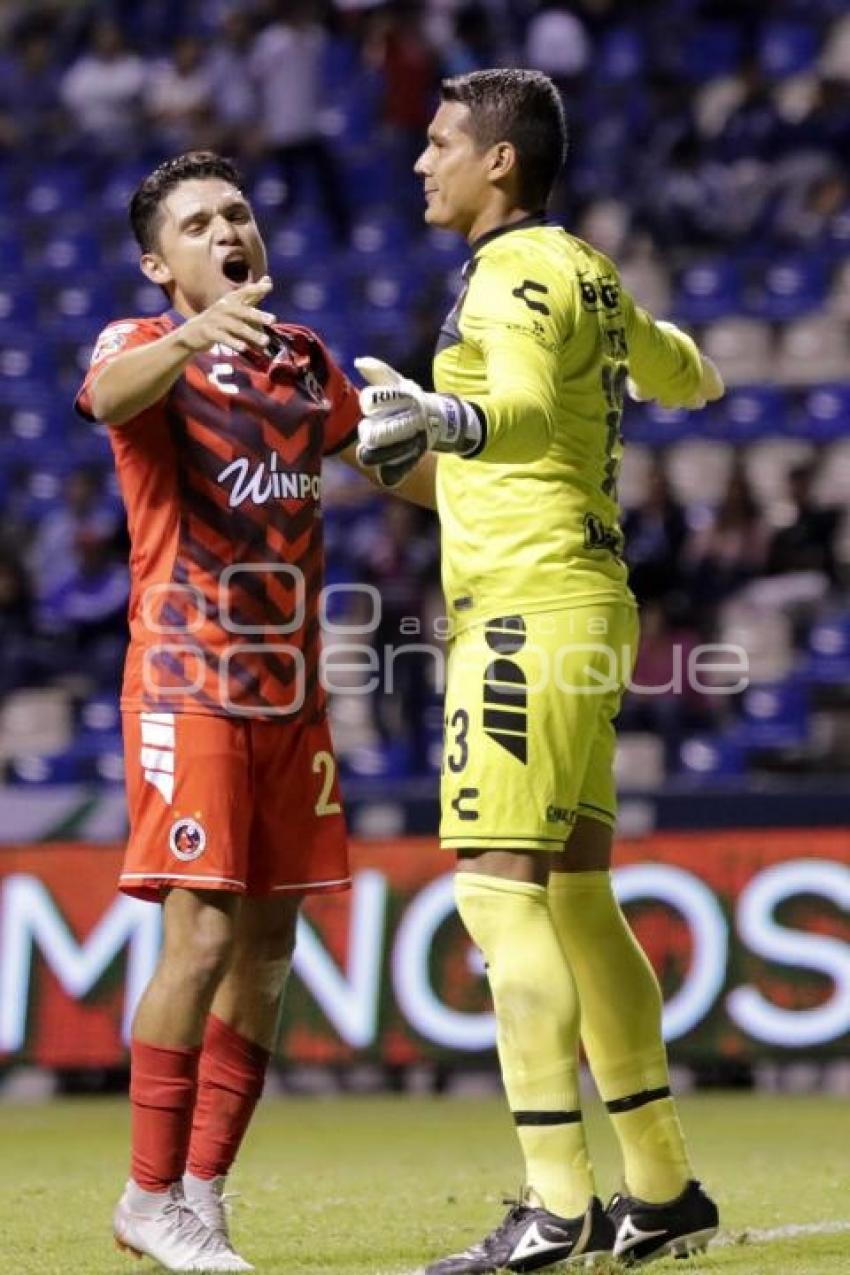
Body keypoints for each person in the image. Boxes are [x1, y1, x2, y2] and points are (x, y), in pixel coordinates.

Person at [355, 69, 724, 1272]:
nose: (422, 164)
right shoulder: (586, 268)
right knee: (575, 892)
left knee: (496, 890)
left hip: (521, 616)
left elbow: (505, 410)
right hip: (586, 601)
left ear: (497, 162)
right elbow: (677, 368)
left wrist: (446, 422)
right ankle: (659, 1187)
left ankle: (555, 1205)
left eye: (439, 143)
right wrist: (411, 451)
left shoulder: (507, 277)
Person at [75, 150, 431, 1274]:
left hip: (290, 694)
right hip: (189, 684)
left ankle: (200, 1195)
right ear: (158, 262)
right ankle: (143, 1195)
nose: (228, 231)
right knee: (206, 932)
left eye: (237, 213)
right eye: (197, 224)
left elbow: (392, 472)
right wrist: (191, 335)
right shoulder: (140, 346)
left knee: (269, 954)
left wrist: (452, 444)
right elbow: (104, 403)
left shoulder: (300, 360)